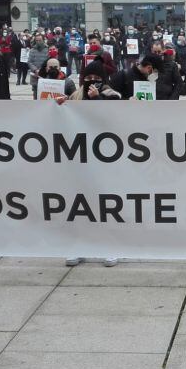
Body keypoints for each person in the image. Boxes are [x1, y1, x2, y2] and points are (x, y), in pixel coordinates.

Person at [63, 61, 121, 268]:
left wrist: (99, 101)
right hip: (80, 157)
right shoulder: (75, 96)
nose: (91, 82)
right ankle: (80, 246)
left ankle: (111, 247)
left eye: (95, 78)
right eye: (87, 78)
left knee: (106, 205)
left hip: (105, 159)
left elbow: (117, 117)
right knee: (80, 205)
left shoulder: (111, 94)